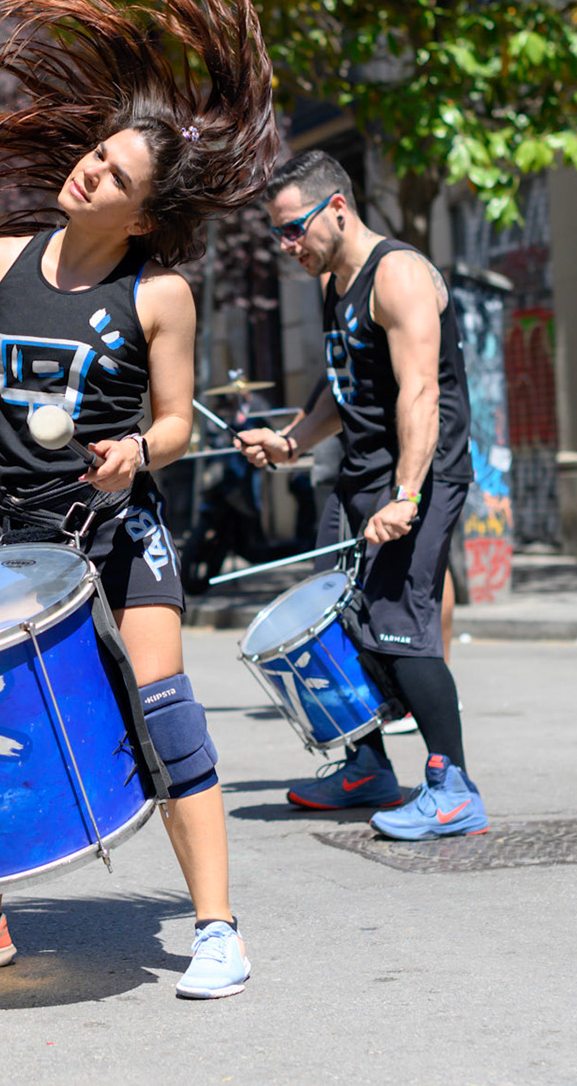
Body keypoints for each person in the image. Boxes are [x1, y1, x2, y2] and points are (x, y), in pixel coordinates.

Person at [0, 0, 279, 999]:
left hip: (112, 531)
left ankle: (217, 926)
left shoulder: (159, 294)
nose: (90, 170)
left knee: (165, 702)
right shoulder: (3, 259)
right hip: (7, 534)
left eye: (116, 176)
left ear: (140, 215)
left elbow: (181, 421)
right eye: (96, 153)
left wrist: (139, 448)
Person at [236, 150, 484, 840]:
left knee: (399, 628)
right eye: (279, 233)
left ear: (337, 209)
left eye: (294, 229)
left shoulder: (398, 275)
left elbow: (421, 390)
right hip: (361, 474)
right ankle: (367, 763)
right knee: (333, 625)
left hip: (417, 474)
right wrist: (290, 441)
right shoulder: (334, 284)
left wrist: (405, 494)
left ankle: (454, 786)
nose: (287, 245)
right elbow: (342, 389)